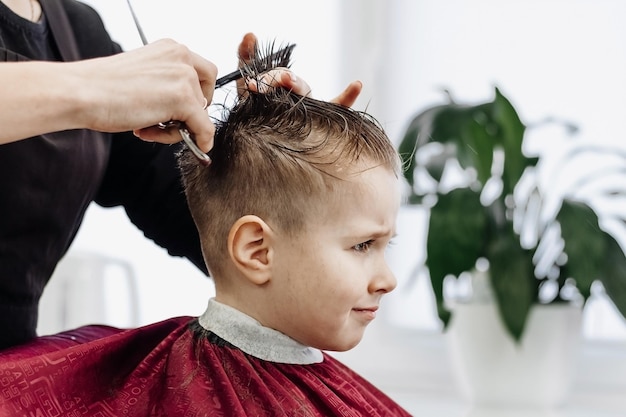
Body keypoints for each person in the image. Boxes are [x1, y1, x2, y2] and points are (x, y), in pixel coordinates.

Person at [0, 47, 411, 416]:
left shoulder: (76, 33)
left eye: (382, 244)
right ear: (257, 249)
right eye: (361, 244)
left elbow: (195, 206)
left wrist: (301, 176)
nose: (389, 280)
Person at [0, 0, 361, 350]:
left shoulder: (79, 33)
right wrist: (91, 87)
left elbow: (206, 223)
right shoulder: (93, 68)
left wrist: (274, 168)